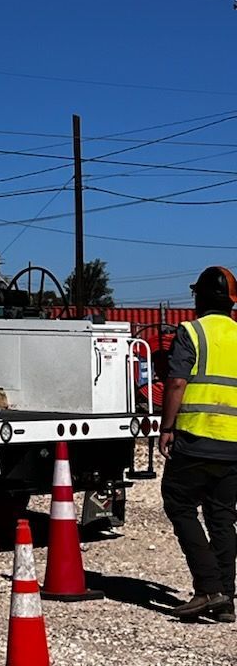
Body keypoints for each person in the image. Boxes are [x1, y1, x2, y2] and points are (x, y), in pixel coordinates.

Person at [159, 264, 237, 621]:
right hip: (233, 444)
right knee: (222, 516)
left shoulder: (191, 331)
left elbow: (176, 383)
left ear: (201, 298)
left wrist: (166, 427)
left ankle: (209, 589)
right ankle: (226, 600)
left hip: (196, 437)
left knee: (179, 504)